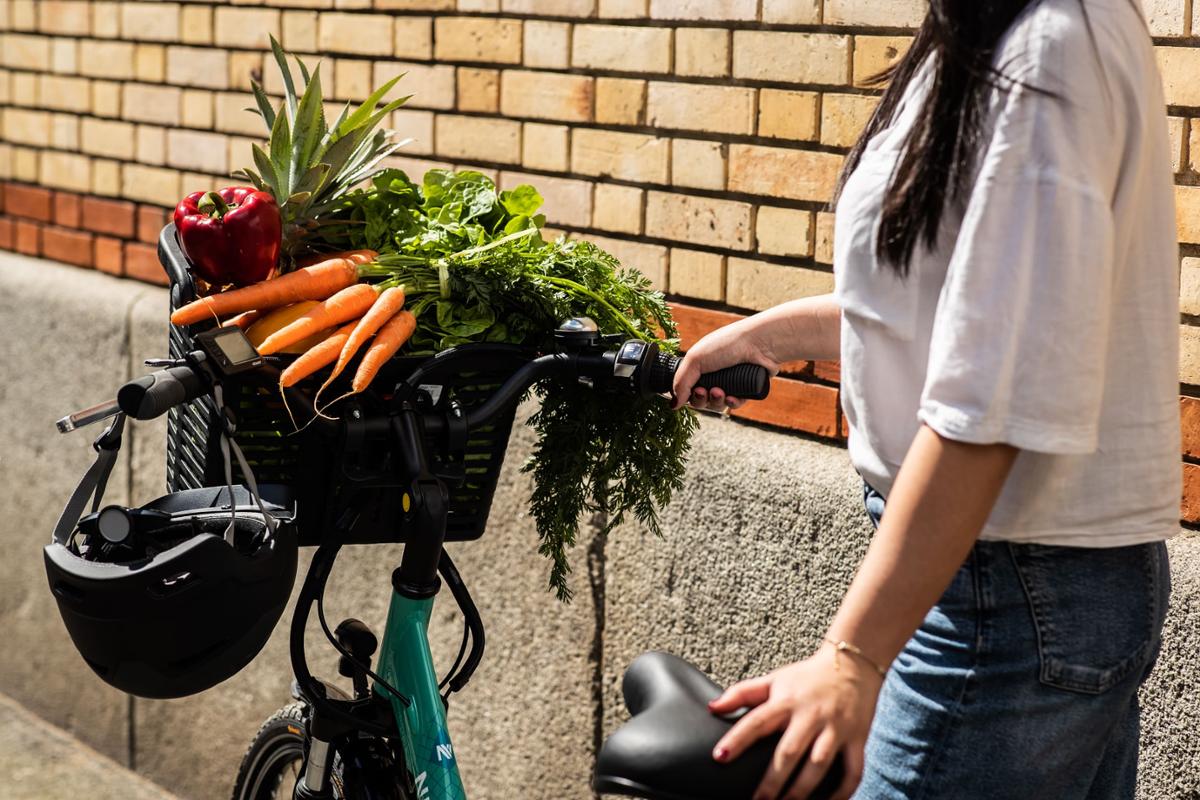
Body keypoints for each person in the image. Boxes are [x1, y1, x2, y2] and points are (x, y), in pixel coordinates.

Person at [671, 1, 1179, 798]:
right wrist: (768, 338)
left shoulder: (1054, 43)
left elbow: (994, 399)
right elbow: (956, 306)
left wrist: (852, 657)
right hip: (988, 583)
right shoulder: (973, 37)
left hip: (1010, 594)